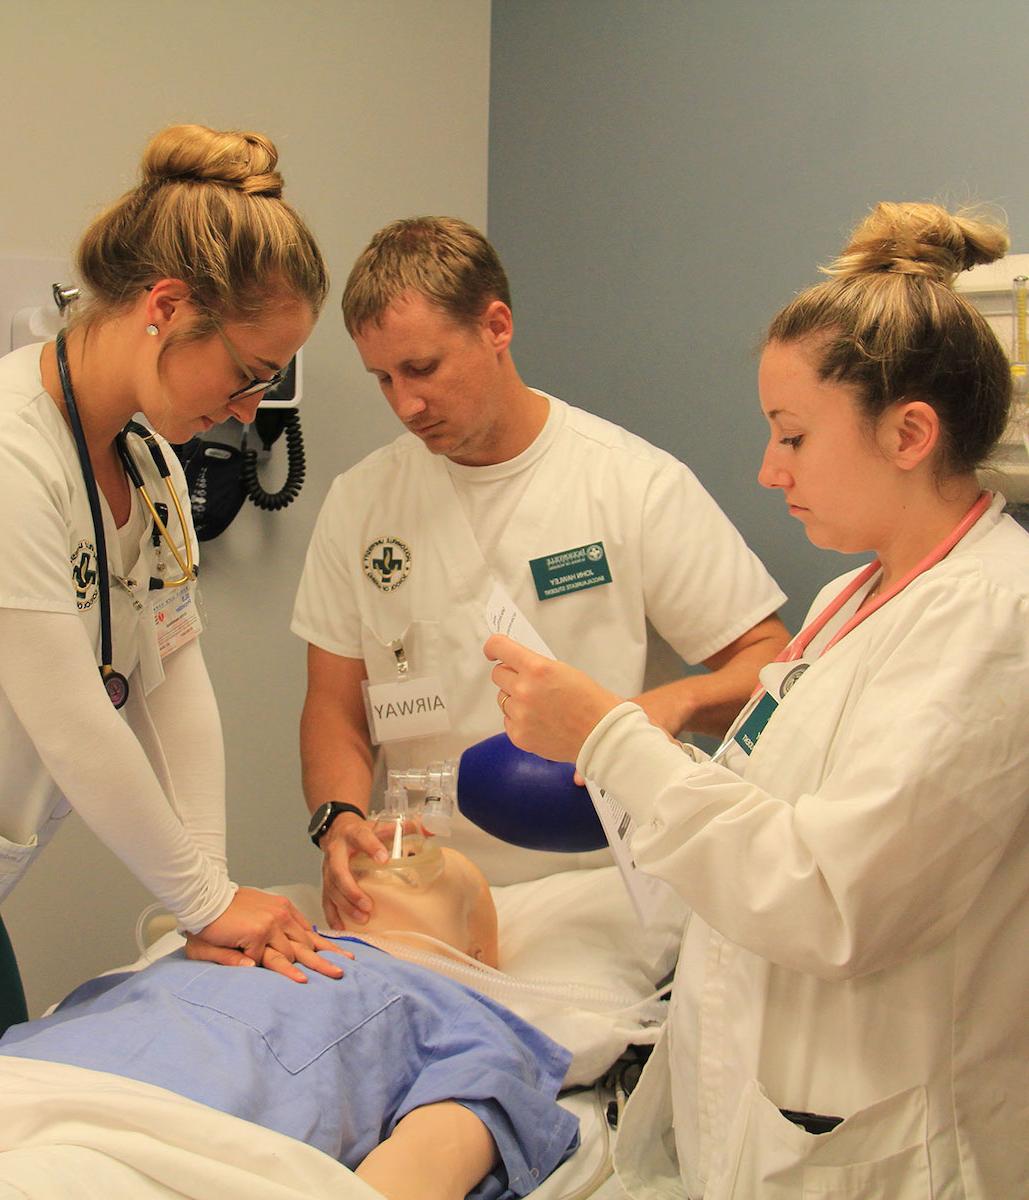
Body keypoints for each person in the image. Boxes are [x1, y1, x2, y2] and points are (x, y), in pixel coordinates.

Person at [485, 202, 1029, 1197]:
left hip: (889, 1145)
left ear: (910, 433)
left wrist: (609, 738)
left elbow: (824, 899)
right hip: (768, 1104)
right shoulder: (850, 598)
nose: (768, 470)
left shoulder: (993, 622)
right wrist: (637, 747)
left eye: (792, 437)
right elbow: (757, 819)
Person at [292, 215, 789, 925]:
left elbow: (769, 661)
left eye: (423, 368)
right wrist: (338, 815)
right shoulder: (362, 502)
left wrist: (667, 707)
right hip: (420, 883)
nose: (406, 404)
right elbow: (334, 709)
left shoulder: (629, 484)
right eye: (383, 379)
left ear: (495, 327)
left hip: (594, 887)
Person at [0, 124, 341, 986]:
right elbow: (73, 723)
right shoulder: (11, 456)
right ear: (164, 308)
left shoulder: (149, 468)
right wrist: (204, 902)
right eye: (249, 373)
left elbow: (172, 686)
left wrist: (212, 893)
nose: (248, 410)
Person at [0, 845, 580, 1200]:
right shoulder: (221, 938)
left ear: (478, 950)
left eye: (434, 861)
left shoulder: (467, 1019)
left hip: (153, 1152)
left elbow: (423, 1171)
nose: (398, 839)